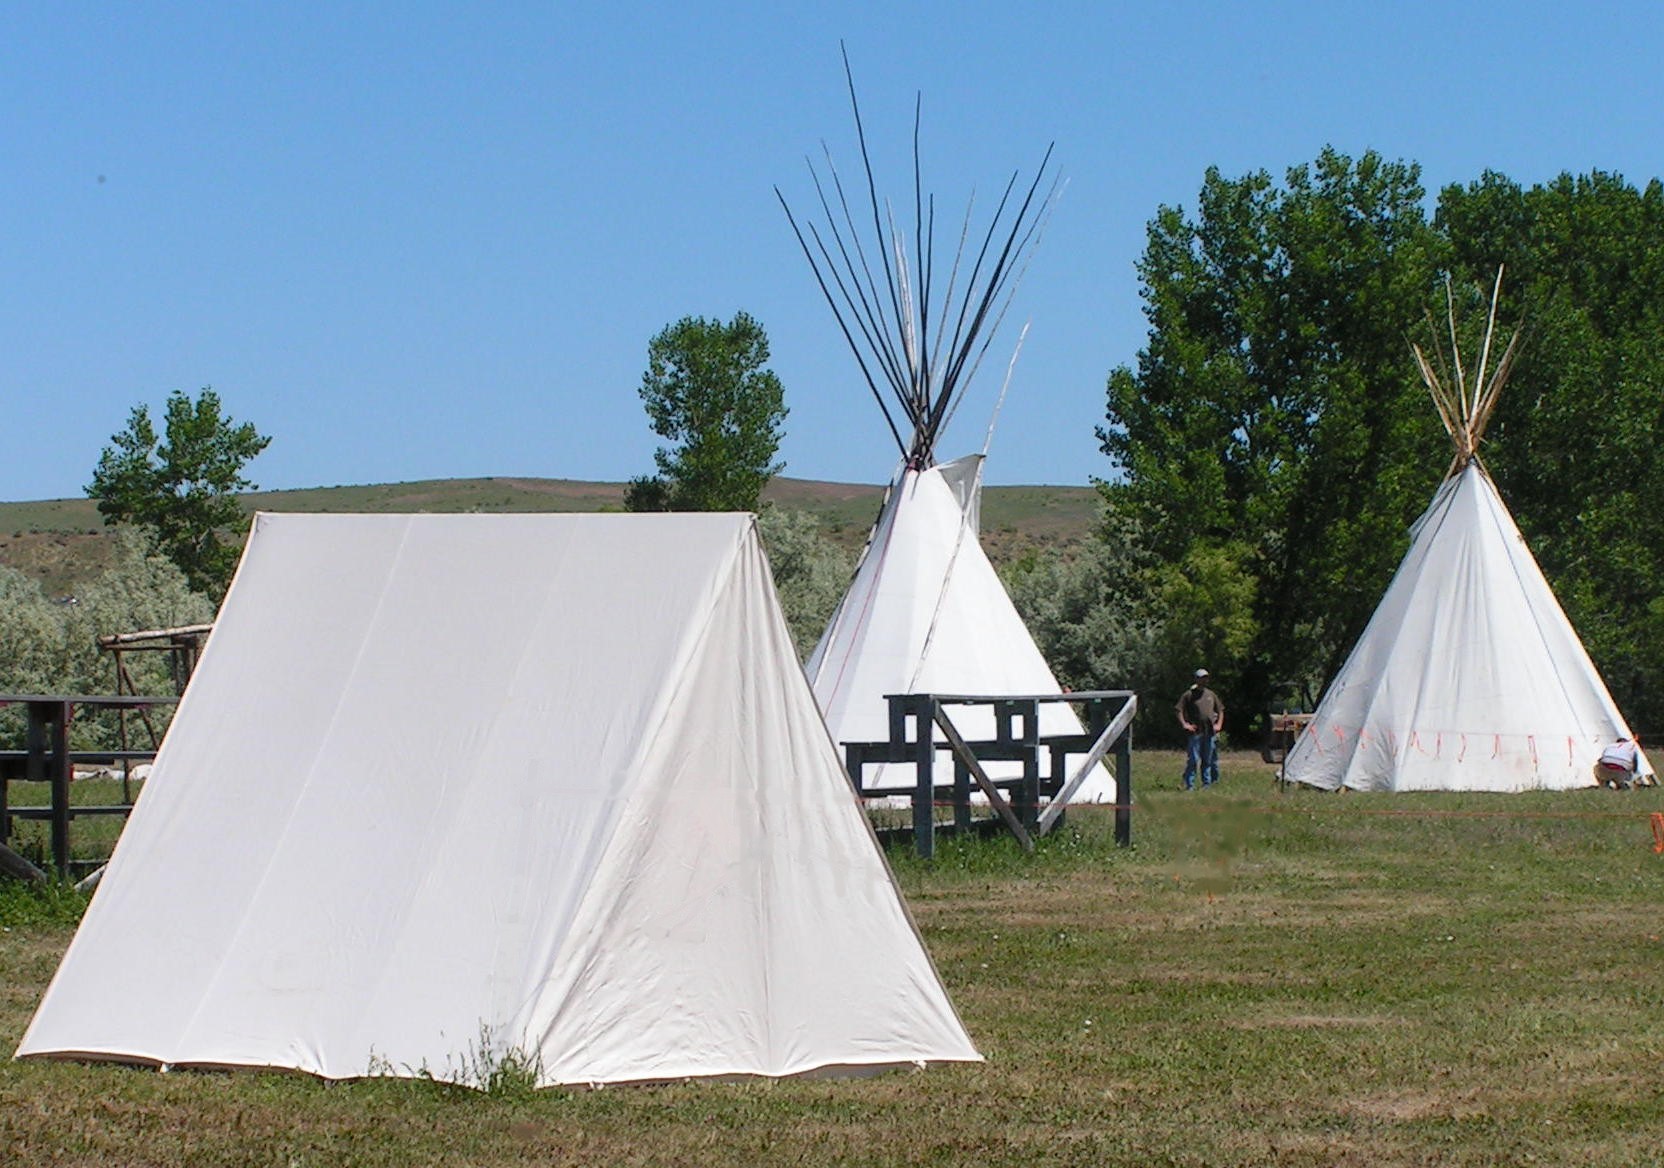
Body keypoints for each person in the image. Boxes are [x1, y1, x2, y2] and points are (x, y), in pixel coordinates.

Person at [1177, 669, 1224, 789]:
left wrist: (1219, 724)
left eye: (1205, 678)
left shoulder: (1211, 694)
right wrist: (1185, 724)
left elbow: (1220, 710)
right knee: (1193, 760)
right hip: (1195, 733)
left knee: (1207, 760)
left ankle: (1206, 784)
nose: (1204, 680)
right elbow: (1179, 710)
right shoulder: (1189, 695)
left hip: (1209, 732)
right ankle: (1190, 785)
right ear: (1196, 679)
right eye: (1201, 678)